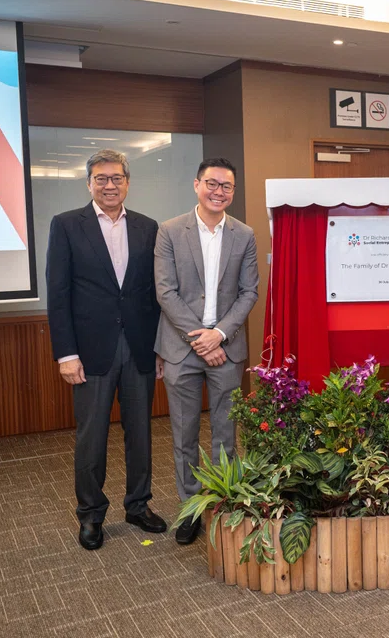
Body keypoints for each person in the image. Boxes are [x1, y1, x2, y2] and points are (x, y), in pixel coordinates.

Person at [46, 149, 167, 551]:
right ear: (89, 183)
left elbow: (156, 294)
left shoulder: (149, 228)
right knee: (91, 438)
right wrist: (65, 354)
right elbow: (58, 294)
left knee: (141, 434)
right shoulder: (66, 226)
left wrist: (161, 348)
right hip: (90, 351)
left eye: (117, 178)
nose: (110, 185)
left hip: (139, 348)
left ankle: (138, 504)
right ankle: (91, 515)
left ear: (128, 183)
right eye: (101, 178)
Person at [154, 157, 259, 545]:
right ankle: (192, 508)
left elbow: (249, 292)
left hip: (226, 350)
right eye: (212, 184)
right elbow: (165, 291)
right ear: (196, 185)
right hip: (182, 350)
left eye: (226, 186)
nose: (219, 191)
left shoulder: (244, 234)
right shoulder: (169, 231)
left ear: (233, 191)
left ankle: (223, 503)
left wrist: (220, 335)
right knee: (183, 434)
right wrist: (201, 338)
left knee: (225, 435)